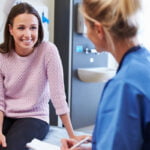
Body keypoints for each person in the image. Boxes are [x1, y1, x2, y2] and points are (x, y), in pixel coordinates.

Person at [61, 0, 150, 150]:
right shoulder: (144, 62)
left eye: (86, 26)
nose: (87, 35)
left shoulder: (124, 87)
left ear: (99, 30)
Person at [0, 2, 84, 150]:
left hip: (34, 117)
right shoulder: (2, 55)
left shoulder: (48, 51)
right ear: (10, 29)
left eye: (33, 27)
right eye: (21, 28)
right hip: (6, 115)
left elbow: (58, 96)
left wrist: (72, 135)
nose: (28, 34)